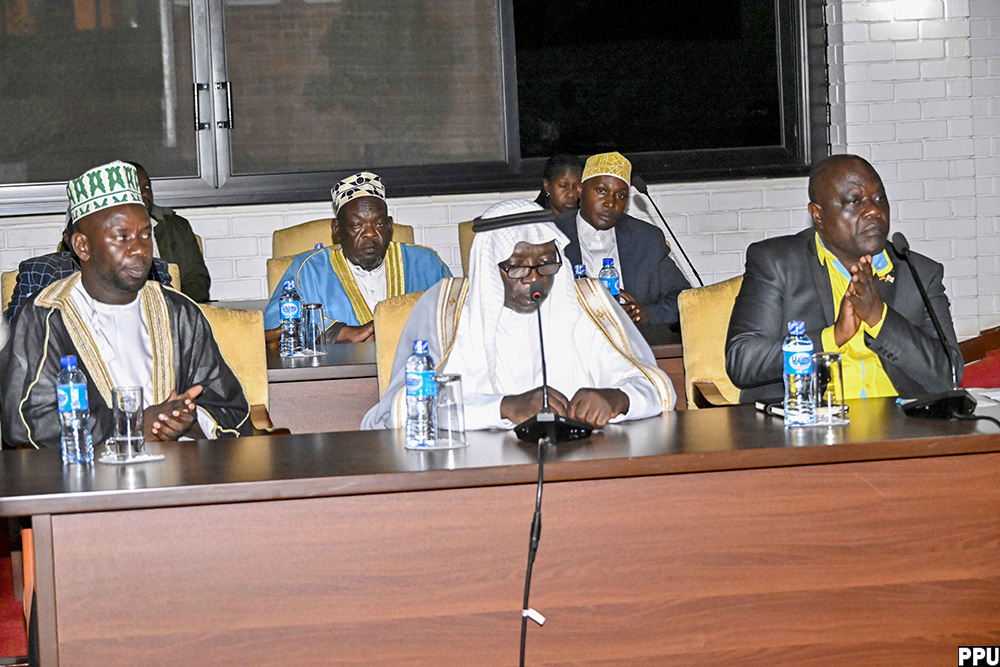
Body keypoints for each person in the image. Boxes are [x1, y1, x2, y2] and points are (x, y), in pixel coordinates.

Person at [362, 199, 675, 431]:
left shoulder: (583, 304)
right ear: (489, 265)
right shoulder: (449, 310)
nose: (534, 279)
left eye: (546, 263)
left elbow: (655, 387)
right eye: (517, 267)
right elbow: (405, 408)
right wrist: (504, 407)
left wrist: (618, 398)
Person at [1, 160, 251, 449]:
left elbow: (230, 410)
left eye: (145, 235)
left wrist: (189, 421)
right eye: (122, 237)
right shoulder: (44, 316)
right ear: (82, 246)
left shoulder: (179, 313)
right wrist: (133, 424)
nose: (139, 249)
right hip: (87, 473)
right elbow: (25, 421)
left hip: (177, 468)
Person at [725, 153, 962, 403]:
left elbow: (950, 374)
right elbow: (743, 361)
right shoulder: (778, 263)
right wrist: (833, 337)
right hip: (809, 420)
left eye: (879, 198)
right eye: (854, 201)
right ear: (818, 215)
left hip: (898, 420)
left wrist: (879, 318)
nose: (874, 210)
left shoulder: (918, 272)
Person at [264, 171, 452, 343]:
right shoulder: (308, 270)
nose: (370, 233)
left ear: (389, 226)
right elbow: (272, 332)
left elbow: (458, 314)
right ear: (337, 229)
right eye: (357, 225)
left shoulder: (426, 263)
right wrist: (340, 333)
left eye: (379, 224)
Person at [552, 151, 690, 326]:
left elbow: (684, 297)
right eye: (601, 191)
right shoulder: (552, 234)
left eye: (620, 195)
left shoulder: (646, 238)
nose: (610, 203)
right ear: (580, 191)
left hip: (633, 339)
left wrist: (645, 314)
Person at [4, 215, 173, 323]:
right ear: (70, 239)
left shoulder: (151, 269)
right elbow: (15, 327)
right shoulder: (39, 271)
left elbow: (174, 323)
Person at [129, 161, 212, 303]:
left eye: (147, 187)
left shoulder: (175, 227)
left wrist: (180, 308)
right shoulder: (105, 235)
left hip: (174, 308)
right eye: (135, 187)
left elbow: (197, 280)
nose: (144, 193)